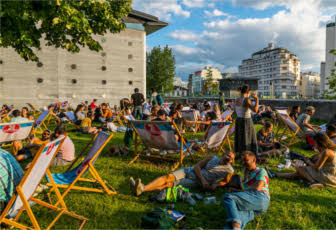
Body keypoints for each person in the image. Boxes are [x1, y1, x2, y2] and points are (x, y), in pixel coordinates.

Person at [130, 151, 235, 196]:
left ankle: (142, 189)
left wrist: (215, 185)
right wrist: (203, 179)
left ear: (232, 161)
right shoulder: (212, 158)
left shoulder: (229, 170)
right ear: (223, 153)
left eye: (231, 158)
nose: (228, 158)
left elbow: (226, 182)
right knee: (168, 177)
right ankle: (142, 188)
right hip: (190, 171)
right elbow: (197, 166)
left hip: (196, 182)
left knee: (170, 185)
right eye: (228, 155)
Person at [222, 151, 270, 230]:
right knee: (237, 218)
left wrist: (240, 193)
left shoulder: (260, 171)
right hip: (254, 207)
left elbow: (258, 187)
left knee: (228, 197)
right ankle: (236, 227)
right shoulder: (246, 177)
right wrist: (236, 190)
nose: (243, 162)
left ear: (254, 160)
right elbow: (246, 192)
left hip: (261, 197)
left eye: (246, 160)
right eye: (242, 160)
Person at [270, 133, 336, 189]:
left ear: (319, 143)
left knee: (299, 167)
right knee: (300, 173)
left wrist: (307, 161)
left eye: (315, 143)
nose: (314, 145)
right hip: (331, 175)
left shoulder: (326, 152)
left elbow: (316, 167)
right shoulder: (331, 149)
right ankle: (275, 174)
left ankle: (313, 182)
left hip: (327, 176)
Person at [234, 85, 259, 155]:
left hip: (239, 120)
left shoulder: (237, 99)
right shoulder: (247, 100)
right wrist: (257, 99)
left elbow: (235, 110)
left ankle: (239, 152)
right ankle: (248, 154)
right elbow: (255, 110)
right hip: (246, 120)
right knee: (247, 138)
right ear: (248, 92)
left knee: (240, 138)